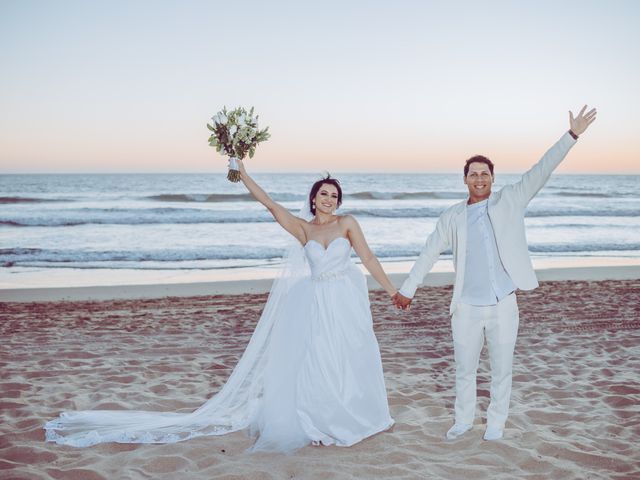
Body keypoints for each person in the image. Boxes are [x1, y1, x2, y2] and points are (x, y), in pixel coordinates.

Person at [45, 162, 396, 452]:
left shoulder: (348, 223)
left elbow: (368, 257)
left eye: (334, 195)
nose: (330, 200)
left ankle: (347, 414)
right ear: (313, 198)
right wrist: (242, 173)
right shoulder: (303, 229)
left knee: (346, 357)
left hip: (344, 303)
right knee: (316, 360)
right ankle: (318, 421)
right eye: (324, 194)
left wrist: (393, 290)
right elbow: (270, 205)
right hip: (316, 304)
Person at [392, 105, 597, 441]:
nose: (479, 178)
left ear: (492, 177)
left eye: (484, 173)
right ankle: (463, 421)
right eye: (473, 173)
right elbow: (429, 252)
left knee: (502, 370)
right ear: (464, 179)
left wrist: (571, 135)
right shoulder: (452, 217)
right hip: (467, 307)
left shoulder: (511, 200)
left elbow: (542, 169)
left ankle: (496, 424)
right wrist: (408, 289)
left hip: (504, 303)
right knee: (465, 370)